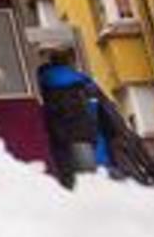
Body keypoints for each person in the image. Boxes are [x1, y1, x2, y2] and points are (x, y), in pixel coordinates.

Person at [37, 45, 112, 188]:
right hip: (85, 139)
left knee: (75, 186)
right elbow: (103, 118)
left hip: (60, 142)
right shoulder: (83, 83)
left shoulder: (43, 84)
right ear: (70, 61)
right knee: (92, 186)